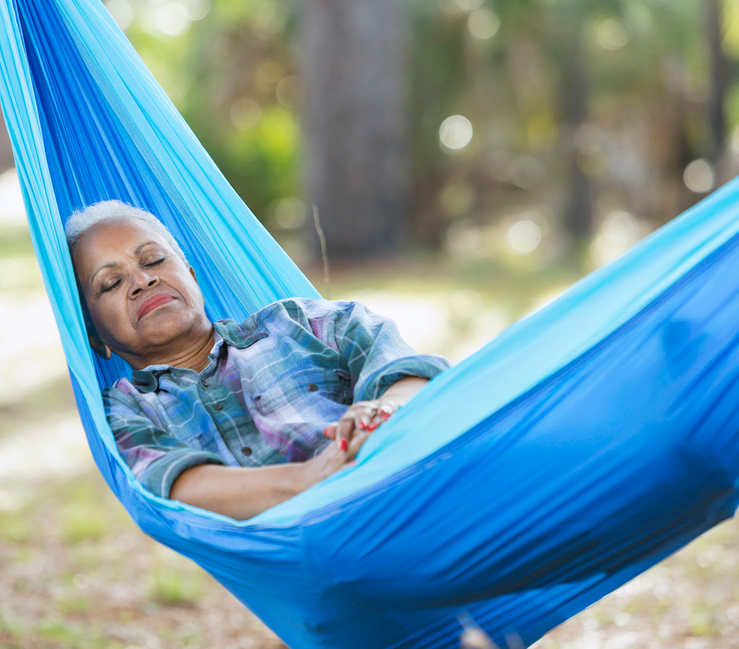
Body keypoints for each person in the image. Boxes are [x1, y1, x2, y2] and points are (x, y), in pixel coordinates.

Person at [66, 201, 451, 520]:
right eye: (111, 283)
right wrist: (308, 479)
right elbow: (175, 486)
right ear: (96, 338)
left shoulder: (297, 322)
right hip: (307, 547)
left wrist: (382, 412)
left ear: (193, 278)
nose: (142, 281)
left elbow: (403, 369)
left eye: (153, 260)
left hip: (414, 485)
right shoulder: (123, 410)